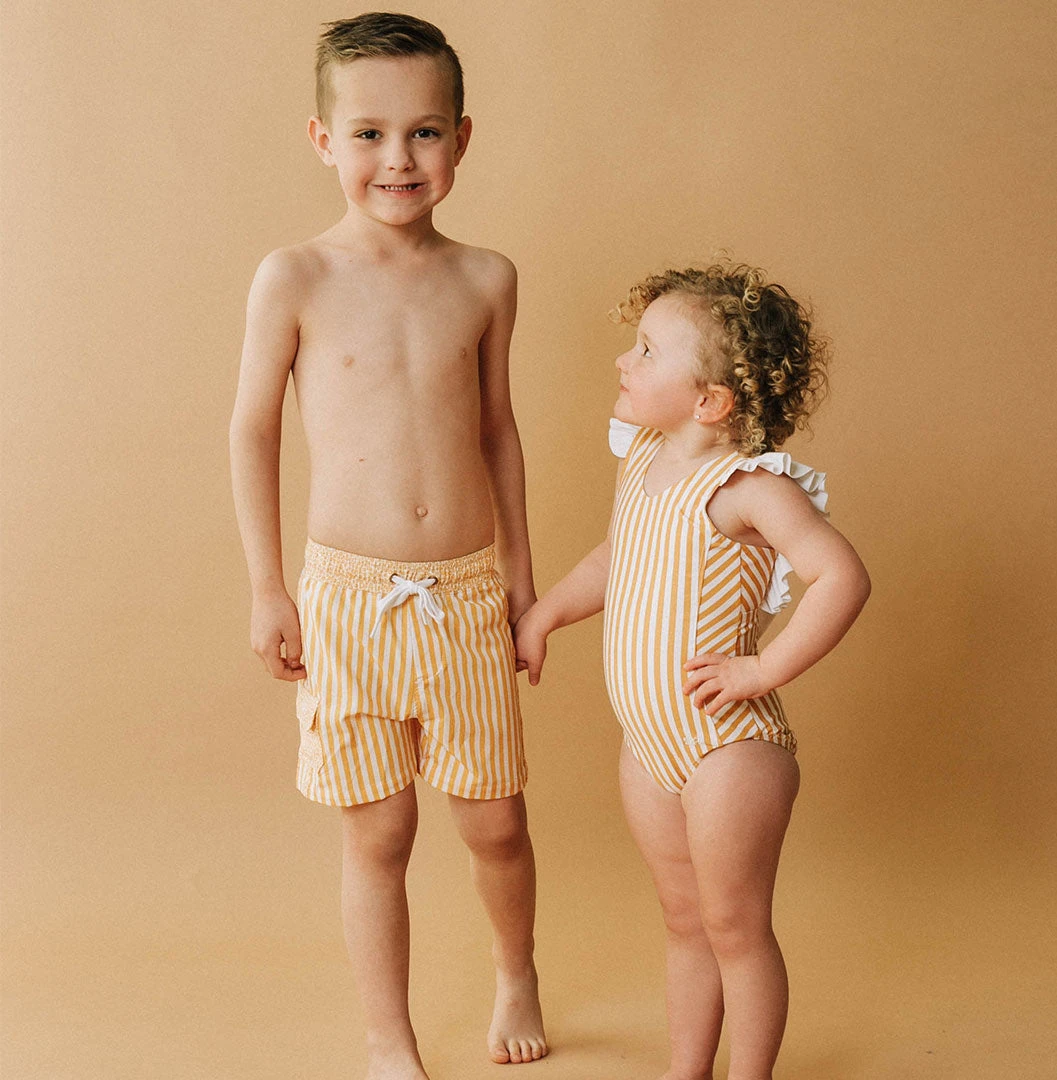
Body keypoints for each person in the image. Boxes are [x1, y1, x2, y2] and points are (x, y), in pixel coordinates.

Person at [228, 13, 547, 1077]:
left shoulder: (487, 278)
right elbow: (253, 429)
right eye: (368, 134)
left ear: (461, 137)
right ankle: (388, 1034)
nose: (397, 159)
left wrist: (522, 581)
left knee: (495, 824)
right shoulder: (295, 277)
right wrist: (268, 587)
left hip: (465, 593)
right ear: (324, 140)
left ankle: (516, 972)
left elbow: (498, 430)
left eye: (423, 133)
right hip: (348, 598)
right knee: (380, 834)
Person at [513, 260, 870, 1080]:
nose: (622, 360)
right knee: (684, 921)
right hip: (650, 745)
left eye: (646, 351)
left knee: (734, 926)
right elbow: (619, 557)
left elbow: (842, 577)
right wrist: (546, 614)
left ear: (710, 402)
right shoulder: (643, 457)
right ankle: (687, 1070)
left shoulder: (748, 488)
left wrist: (762, 668)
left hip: (727, 748)